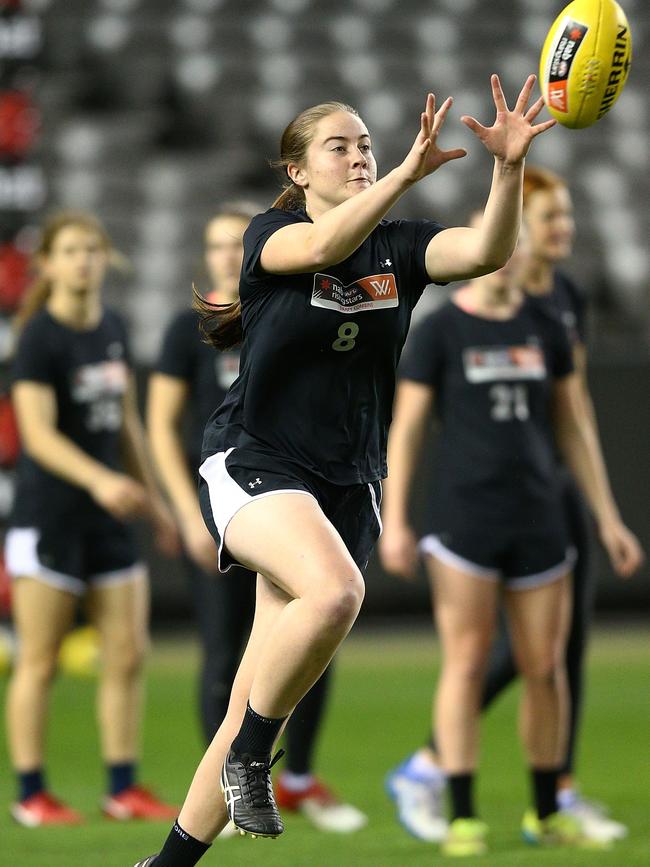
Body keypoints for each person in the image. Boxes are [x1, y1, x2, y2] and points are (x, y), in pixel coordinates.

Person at [134, 72, 557, 867]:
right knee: (335, 593)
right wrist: (403, 171)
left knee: (248, 698)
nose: (359, 155)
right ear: (297, 171)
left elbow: (486, 250)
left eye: (366, 144)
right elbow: (325, 246)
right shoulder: (270, 233)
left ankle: (165, 862)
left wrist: (508, 169)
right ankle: (252, 760)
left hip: (347, 483)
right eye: (341, 146)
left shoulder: (400, 246)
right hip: (256, 459)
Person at [384, 166, 643, 846]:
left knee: (545, 666)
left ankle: (546, 808)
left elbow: (575, 425)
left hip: (539, 516)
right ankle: (462, 810)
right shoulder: (438, 330)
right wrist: (397, 516)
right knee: (466, 663)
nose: (516, 248)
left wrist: (607, 516)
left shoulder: (544, 323)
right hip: (465, 518)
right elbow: (406, 429)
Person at [147, 201, 367, 833]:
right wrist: (189, 512)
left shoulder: (294, 305)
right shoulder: (191, 326)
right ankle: (240, 767)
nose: (225, 253)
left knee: (308, 635)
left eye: (231, 242)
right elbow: (162, 423)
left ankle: (283, 773)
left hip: (304, 487)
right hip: (239, 490)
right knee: (229, 651)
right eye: (217, 245)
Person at [5, 211, 180, 826]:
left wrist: (153, 499)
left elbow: (127, 420)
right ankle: (31, 793)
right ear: (48, 264)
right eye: (71, 251)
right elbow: (38, 436)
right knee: (40, 660)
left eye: (93, 250)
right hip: (51, 517)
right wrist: (101, 480)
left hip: (112, 519)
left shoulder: (112, 325)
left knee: (129, 652)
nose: (84, 260)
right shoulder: (39, 339)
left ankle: (122, 787)